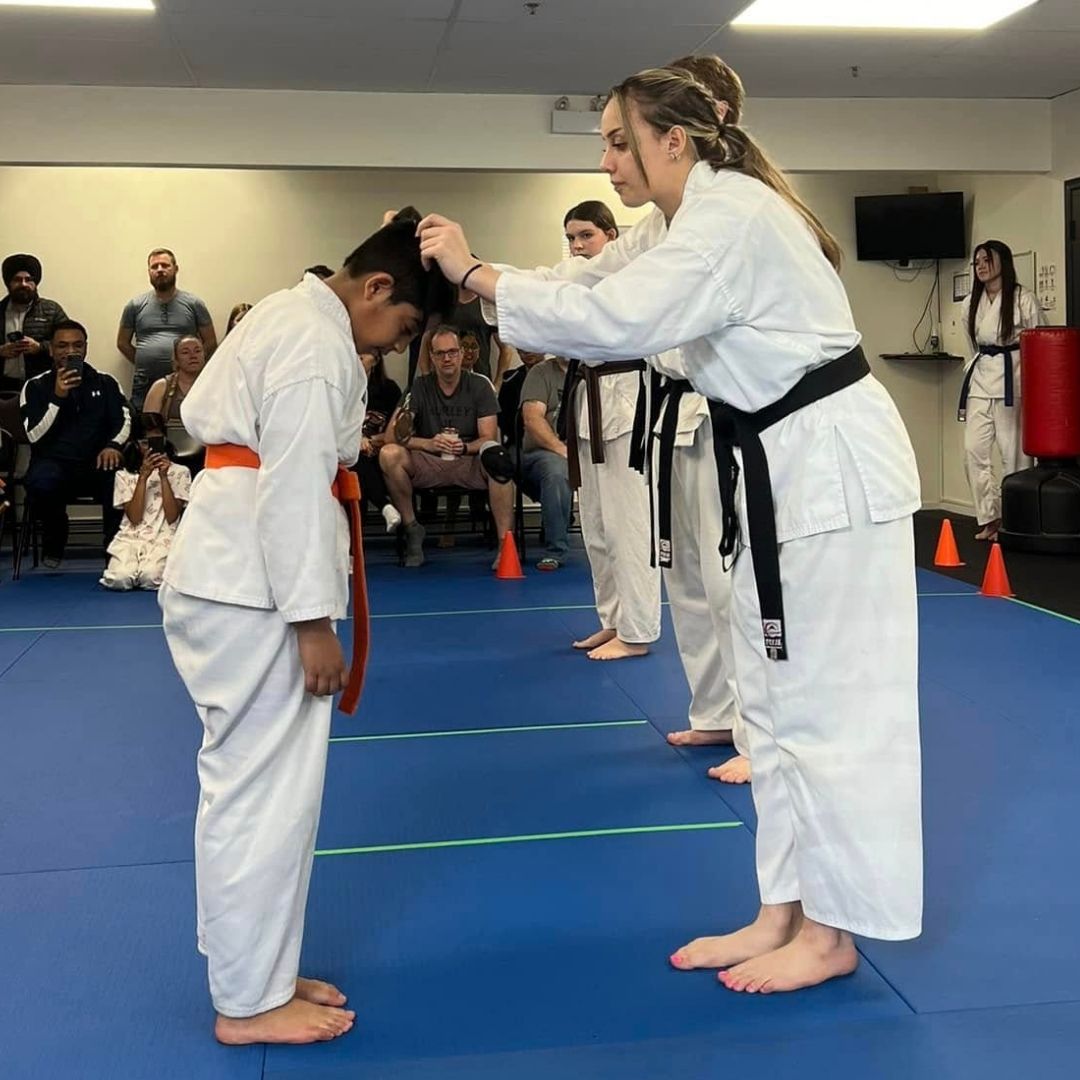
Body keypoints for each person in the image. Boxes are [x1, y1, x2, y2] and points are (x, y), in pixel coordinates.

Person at [417, 59, 923, 993]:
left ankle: (834, 930)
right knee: (770, 700)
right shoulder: (678, 221)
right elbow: (584, 280)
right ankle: (783, 908)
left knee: (831, 705)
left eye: (619, 141)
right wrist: (485, 272)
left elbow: (612, 319)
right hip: (771, 465)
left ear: (674, 142)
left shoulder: (732, 218)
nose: (607, 161)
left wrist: (473, 272)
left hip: (826, 470)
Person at [159, 211, 452, 1046]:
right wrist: (312, 621)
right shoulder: (314, 343)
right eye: (404, 327)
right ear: (376, 287)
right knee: (264, 794)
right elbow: (291, 483)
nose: (398, 345)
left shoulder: (293, 318)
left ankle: (258, 970)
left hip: (235, 571)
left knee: (253, 788)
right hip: (255, 587)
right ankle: (248, 1001)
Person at [558, 201, 662, 660]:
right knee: (597, 527)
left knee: (629, 525)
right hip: (590, 400)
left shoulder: (630, 277)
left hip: (625, 399)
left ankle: (638, 632)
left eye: (587, 235)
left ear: (611, 236)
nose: (578, 246)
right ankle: (614, 620)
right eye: (572, 238)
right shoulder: (577, 282)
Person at [380, 325, 514, 568]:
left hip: (468, 460)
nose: (447, 358)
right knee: (389, 454)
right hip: (429, 461)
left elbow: (488, 437)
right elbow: (392, 435)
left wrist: (464, 447)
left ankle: (505, 544)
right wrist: (428, 443)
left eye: (452, 352)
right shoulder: (419, 386)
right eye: (440, 353)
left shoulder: (480, 386)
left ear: (462, 354)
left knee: (498, 457)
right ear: (432, 357)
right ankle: (412, 528)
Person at [20, 320, 130, 567]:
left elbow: (124, 420)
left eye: (77, 345)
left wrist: (113, 445)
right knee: (40, 482)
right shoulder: (35, 386)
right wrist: (57, 397)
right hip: (53, 462)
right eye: (62, 346)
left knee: (121, 480)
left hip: (97, 462)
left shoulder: (106, 382)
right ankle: (55, 537)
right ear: (51, 349)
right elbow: (34, 435)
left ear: (85, 348)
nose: (71, 351)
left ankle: (114, 552)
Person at [959, 239, 1045, 541]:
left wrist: (1038, 387)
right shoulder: (971, 302)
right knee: (973, 451)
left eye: (987, 260)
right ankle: (990, 516)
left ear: (1003, 262)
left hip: (1014, 380)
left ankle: (1014, 520)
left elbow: (1039, 343)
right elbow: (972, 344)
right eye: (977, 262)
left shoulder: (1023, 299)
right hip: (981, 379)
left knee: (1014, 455)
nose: (981, 266)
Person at [117, 248, 217, 411]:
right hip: (145, 380)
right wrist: (145, 360)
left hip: (184, 381)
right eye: (154, 267)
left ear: (175, 269)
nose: (160, 270)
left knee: (185, 421)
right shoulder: (135, 305)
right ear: (149, 272)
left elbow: (210, 341)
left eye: (165, 265)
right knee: (145, 422)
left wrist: (188, 364)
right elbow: (122, 343)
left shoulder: (194, 304)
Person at [100, 417, 191, 591]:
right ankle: (132, 569)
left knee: (151, 577)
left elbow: (172, 516)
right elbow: (134, 518)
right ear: (135, 444)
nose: (150, 448)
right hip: (131, 536)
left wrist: (163, 477)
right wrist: (143, 477)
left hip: (164, 536)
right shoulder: (124, 475)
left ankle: (143, 570)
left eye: (156, 441)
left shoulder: (180, 472)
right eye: (144, 442)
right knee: (119, 579)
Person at [520, 353, 573, 570]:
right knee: (556, 469)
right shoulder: (541, 372)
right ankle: (556, 550)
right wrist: (563, 450)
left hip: (586, 451)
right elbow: (532, 419)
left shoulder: (590, 372)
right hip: (542, 453)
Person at [0, 254, 69, 394]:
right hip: (4, 388)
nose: (23, 284)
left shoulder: (52, 310)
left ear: (36, 283)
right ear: (8, 283)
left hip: (42, 387)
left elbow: (69, 345)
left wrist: (40, 347)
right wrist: (1, 351)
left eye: (28, 279)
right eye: (17, 280)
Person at [143, 334, 208, 477]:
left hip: (207, 454)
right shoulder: (161, 387)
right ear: (176, 359)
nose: (193, 356)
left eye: (198, 351)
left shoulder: (215, 385)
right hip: (170, 456)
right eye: (185, 352)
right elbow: (151, 431)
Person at [353, 350, 403, 532]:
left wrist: (372, 440)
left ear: (376, 360)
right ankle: (385, 506)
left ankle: (357, 541)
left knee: (360, 467)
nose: (357, 361)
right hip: (351, 452)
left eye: (362, 357)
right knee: (357, 462)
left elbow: (399, 431)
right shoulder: (343, 389)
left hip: (380, 452)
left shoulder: (389, 389)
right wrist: (357, 440)